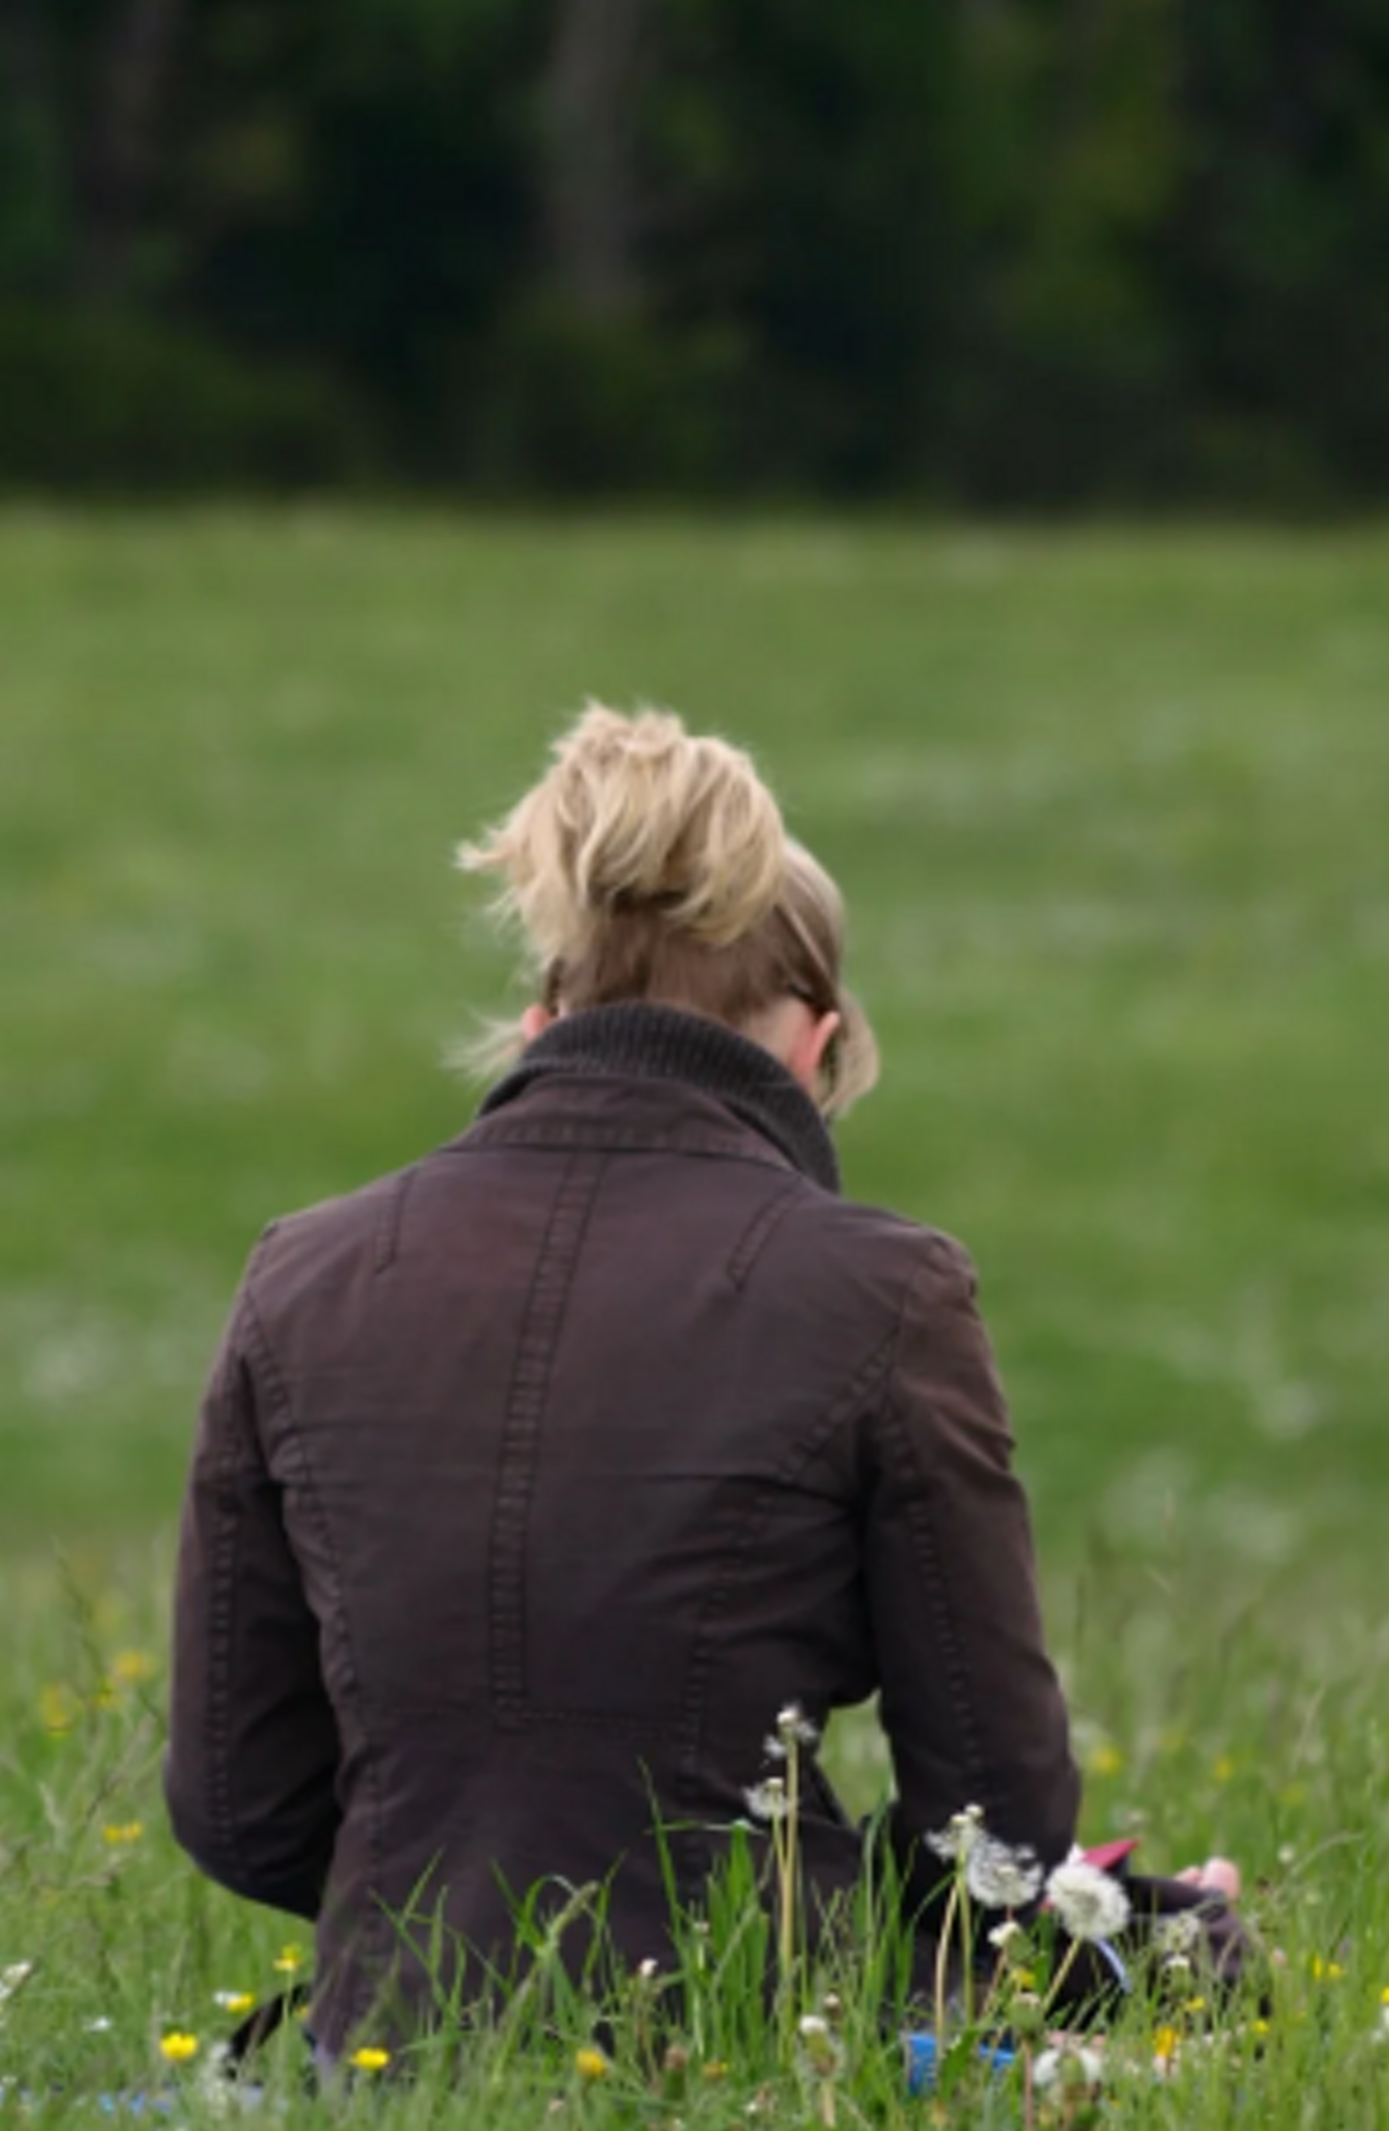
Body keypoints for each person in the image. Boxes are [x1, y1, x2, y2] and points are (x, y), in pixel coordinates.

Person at [165, 703, 1234, 2058]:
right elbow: (1000, 1835)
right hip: (764, 2040)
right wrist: (1149, 1933)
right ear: (812, 1045)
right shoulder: (885, 1293)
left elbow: (237, 1805)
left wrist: (464, 1899)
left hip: (389, 2037)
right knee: (1205, 1969)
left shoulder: (300, 1274)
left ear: (545, 1017)